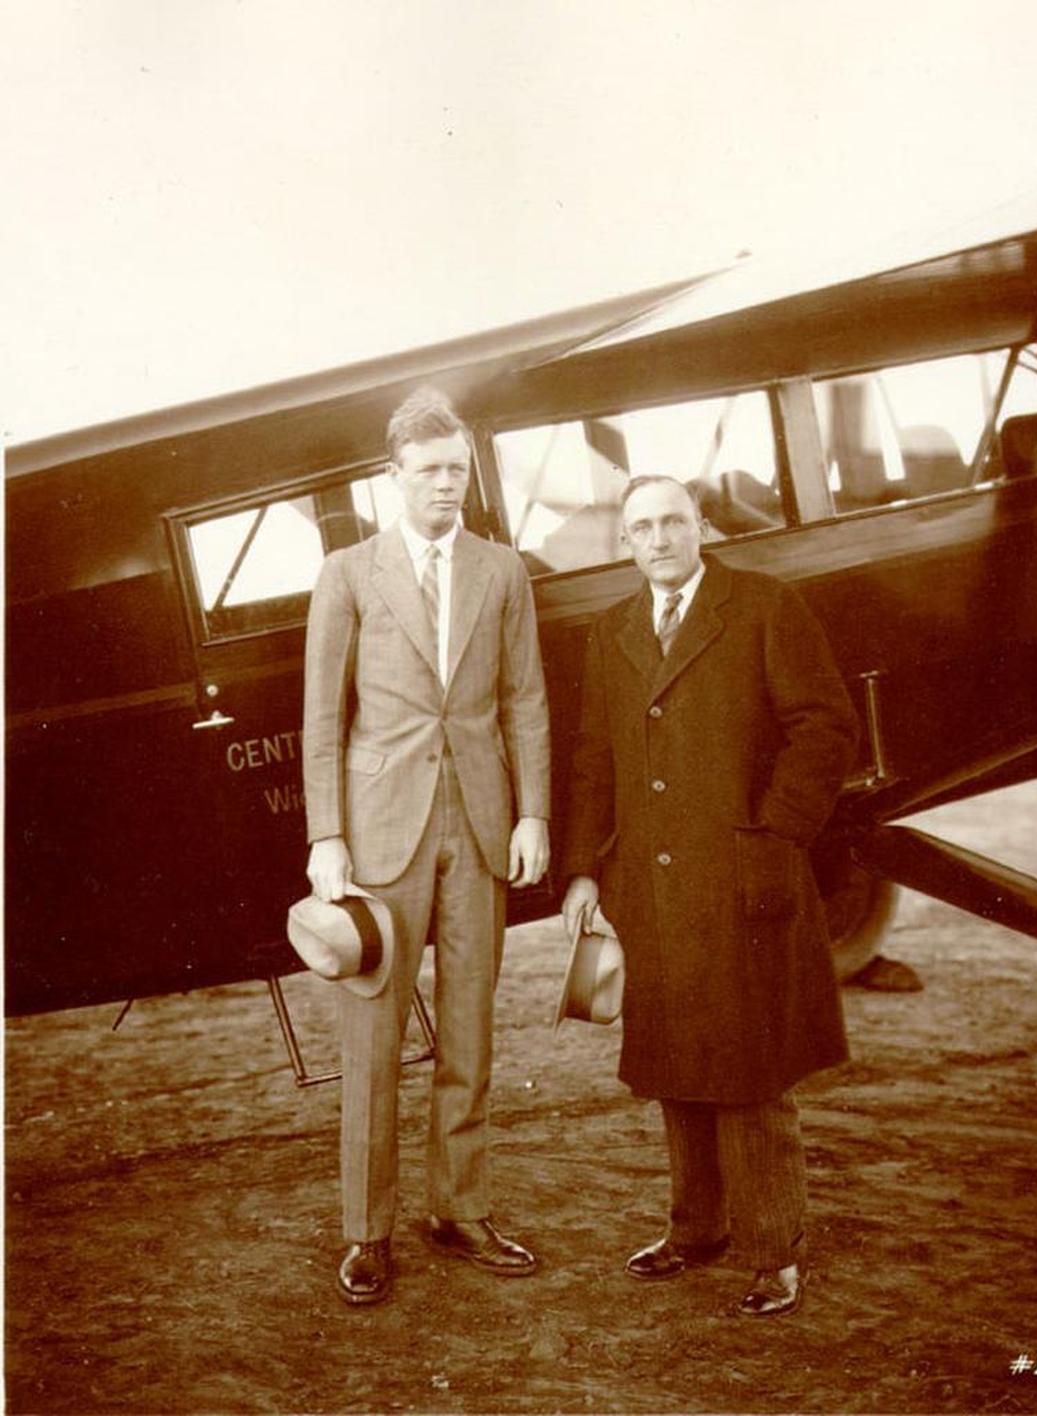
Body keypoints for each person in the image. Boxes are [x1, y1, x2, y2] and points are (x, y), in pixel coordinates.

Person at [560, 474, 858, 1318]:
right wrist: (584, 869)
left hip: (740, 879)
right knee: (676, 1065)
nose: (658, 539)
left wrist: (775, 833)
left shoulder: (761, 605)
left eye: (672, 522)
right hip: (648, 887)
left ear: (701, 527)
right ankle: (696, 1231)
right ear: (625, 541)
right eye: (641, 527)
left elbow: (824, 725)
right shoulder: (612, 629)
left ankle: (774, 1252)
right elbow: (594, 758)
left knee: (749, 1069)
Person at [302, 386, 551, 1306]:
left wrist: (533, 815)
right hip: (378, 834)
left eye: (459, 467)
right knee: (373, 1035)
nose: (448, 484)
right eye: (429, 470)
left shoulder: (504, 570)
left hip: (480, 823)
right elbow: (322, 717)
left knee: (473, 1026)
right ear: (393, 478)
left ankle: (461, 1207)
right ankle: (367, 1233)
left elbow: (526, 698)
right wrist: (327, 838)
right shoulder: (349, 574)